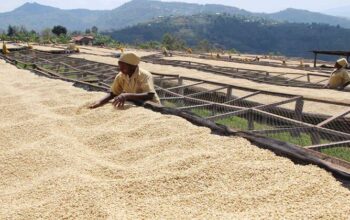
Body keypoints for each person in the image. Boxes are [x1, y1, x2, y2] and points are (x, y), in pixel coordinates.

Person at [89, 52, 160, 108]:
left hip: (152, 105)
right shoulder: (120, 76)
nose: (120, 69)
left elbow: (149, 95)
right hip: (136, 103)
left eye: (123, 67)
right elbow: (113, 93)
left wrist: (127, 95)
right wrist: (100, 102)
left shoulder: (145, 75)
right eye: (120, 66)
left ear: (133, 66)